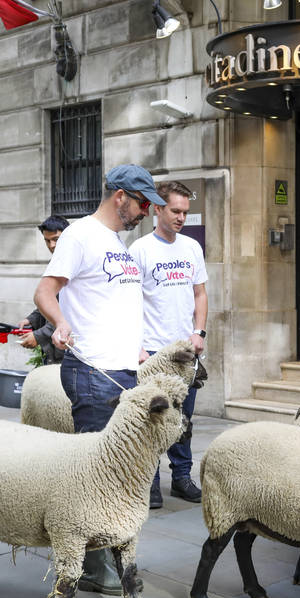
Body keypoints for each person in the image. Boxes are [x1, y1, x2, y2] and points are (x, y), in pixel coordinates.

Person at [32, 164, 162, 595]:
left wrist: (138, 348)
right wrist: (60, 323)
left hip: (124, 370)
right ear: (120, 195)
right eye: (143, 203)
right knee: (98, 473)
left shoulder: (118, 243)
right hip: (92, 372)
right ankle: (92, 565)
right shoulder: (80, 235)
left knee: (120, 471)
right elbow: (45, 291)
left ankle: (108, 555)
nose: (147, 211)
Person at [130, 181, 207, 508]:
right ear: (157, 209)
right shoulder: (139, 250)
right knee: (153, 420)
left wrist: (199, 332)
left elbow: (200, 294)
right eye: (175, 211)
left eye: (185, 212)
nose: (181, 218)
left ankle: (181, 477)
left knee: (182, 421)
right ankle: (150, 482)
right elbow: (129, 302)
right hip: (151, 355)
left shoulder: (191, 247)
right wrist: (136, 347)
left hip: (184, 354)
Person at [17, 215, 70, 365]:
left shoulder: (73, 264)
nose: (51, 245)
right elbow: (52, 301)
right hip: (54, 354)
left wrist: (38, 336)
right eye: (47, 240)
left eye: (56, 239)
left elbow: (67, 313)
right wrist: (32, 319)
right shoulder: (56, 261)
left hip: (71, 354)